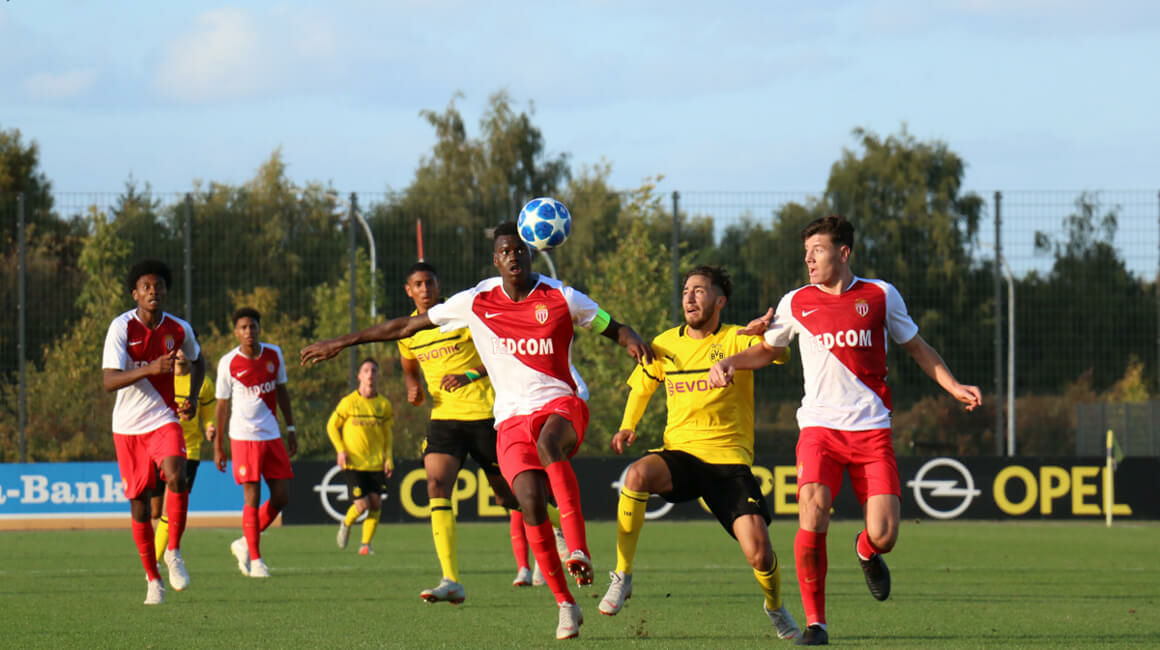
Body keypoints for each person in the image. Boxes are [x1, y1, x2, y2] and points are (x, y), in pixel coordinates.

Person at [301, 222, 653, 640]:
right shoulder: (476, 301)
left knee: (548, 445)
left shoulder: (561, 296)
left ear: (531, 253)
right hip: (509, 420)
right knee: (527, 503)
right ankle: (565, 604)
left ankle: (577, 547)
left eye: (520, 250)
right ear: (495, 259)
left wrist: (631, 339)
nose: (513, 256)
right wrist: (341, 342)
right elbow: (404, 328)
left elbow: (609, 323)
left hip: (561, 403)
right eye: (505, 251)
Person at [709, 215, 982, 646]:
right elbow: (766, 350)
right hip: (819, 429)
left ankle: (866, 550)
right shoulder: (795, 301)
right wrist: (729, 362)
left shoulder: (880, 295)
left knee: (885, 534)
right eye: (806, 252)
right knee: (813, 511)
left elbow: (917, 347)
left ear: (843, 252)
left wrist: (954, 386)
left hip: (872, 430)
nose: (809, 259)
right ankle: (816, 624)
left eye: (817, 251)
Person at [597, 266, 801, 640]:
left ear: (720, 301)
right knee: (637, 475)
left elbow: (780, 354)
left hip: (729, 462)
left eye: (699, 291)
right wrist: (628, 425)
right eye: (686, 291)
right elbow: (642, 387)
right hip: (682, 454)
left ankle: (775, 607)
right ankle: (623, 575)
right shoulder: (664, 344)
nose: (689, 298)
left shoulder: (736, 338)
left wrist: (763, 334)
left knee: (760, 554)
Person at [395, 261, 566, 602]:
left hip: (488, 416)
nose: (425, 289)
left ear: (438, 285)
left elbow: (500, 353)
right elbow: (409, 366)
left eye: (430, 282)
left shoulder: (463, 316)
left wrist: (468, 376)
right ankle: (450, 580)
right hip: (444, 420)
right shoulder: (409, 332)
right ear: (409, 290)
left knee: (509, 497)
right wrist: (412, 386)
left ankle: (560, 526)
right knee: (436, 486)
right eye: (419, 284)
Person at [101, 259, 203, 604]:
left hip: (164, 418)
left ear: (166, 291)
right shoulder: (121, 327)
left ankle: (173, 550)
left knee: (177, 476)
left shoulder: (179, 329)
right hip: (127, 428)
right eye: (146, 287)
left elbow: (199, 360)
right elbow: (109, 380)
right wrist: (150, 369)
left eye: (158, 286)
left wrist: (191, 397)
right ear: (135, 294)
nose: (153, 291)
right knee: (140, 508)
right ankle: (152, 578)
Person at [213, 307, 299, 579]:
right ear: (236, 333)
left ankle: (243, 542)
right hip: (243, 437)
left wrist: (291, 429)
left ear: (260, 328)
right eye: (243, 327)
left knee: (281, 496)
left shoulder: (274, 354)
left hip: (271, 434)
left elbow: (282, 392)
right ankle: (257, 559)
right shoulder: (228, 362)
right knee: (252, 496)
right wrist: (218, 446)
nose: (249, 331)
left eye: (253, 326)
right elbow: (221, 406)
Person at [151, 347, 217, 561]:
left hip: (189, 450)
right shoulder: (162, 376)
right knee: (154, 511)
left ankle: (159, 560)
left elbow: (209, 413)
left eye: (185, 348)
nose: (181, 353)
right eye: (177, 348)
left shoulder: (203, 383)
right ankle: (157, 554)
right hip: (159, 448)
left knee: (171, 508)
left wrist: (210, 426)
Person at [328, 357, 394, 556]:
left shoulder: (384, 405)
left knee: (375, 504)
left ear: (378, 375)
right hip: (354, 463)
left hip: (376, 463)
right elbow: (332, 426)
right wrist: (340, 450)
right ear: (359, 376)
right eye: (366, 370)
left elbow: (388, 434)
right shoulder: (349, 402)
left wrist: (388, 458)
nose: (370, 374)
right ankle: (346, 523)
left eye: (374, 370)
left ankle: (365, 545)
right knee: (362, 506)